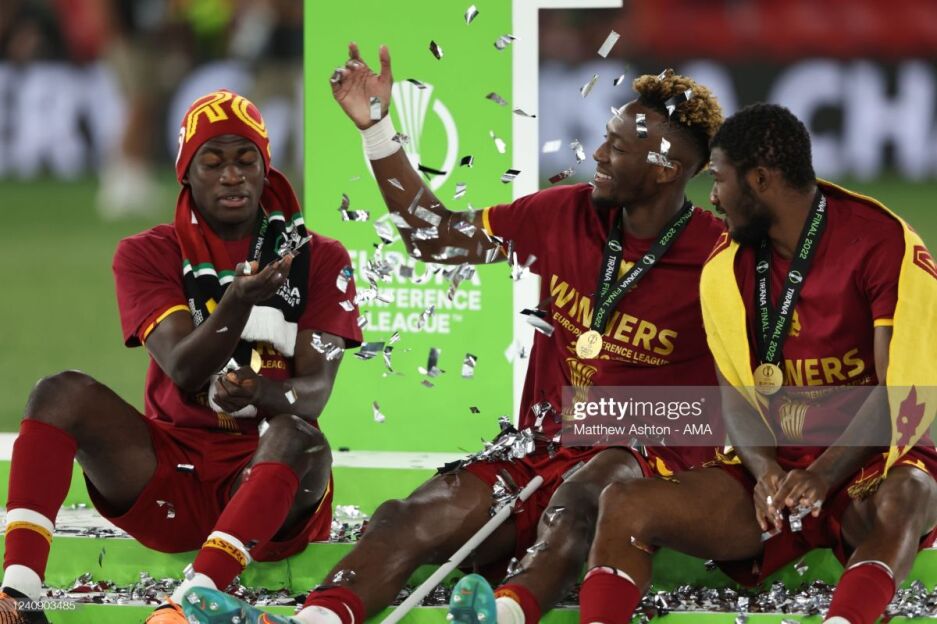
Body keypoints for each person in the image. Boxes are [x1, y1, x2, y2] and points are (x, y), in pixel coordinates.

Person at [181, 45, 725, 624]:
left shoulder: (718, 256)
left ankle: (503, 615)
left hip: (638, 466)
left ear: (665, 168)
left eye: (616, 147)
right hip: (539, 450)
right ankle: (312, 621)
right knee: (403, 516)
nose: (597, 154)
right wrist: (376, 130)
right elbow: (433, 237)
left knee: (587, 495)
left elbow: (753, 397)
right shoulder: (565, 213)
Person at [0, 89, 363, 624]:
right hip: (172, 473)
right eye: (212, 162)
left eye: (246, 160)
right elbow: (185, 368)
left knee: (298, 435)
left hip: (271, 487)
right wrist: (238, 300)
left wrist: (261, 391)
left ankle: (191, 603)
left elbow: (314, 394)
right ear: (185, 174)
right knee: (58, 393)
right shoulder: (147, 252)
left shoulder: (321, 257)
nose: (232, 176)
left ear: (266, 168)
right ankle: (19, 595)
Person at [579, 103, 937, 624]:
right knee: (624, 502)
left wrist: (822, 474)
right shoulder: (726, 264)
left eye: (719, 179)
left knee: (911, 493)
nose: (713, 197)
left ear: (760, 180)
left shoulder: (884, 244)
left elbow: (899, 389)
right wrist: (767, 472)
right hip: (777, 469)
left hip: (866, 464)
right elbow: (735, 394)